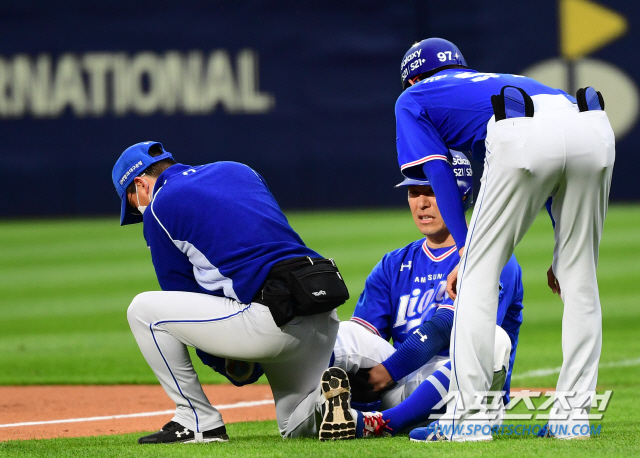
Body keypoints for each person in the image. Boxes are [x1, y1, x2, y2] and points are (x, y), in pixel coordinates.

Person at [395, 38, 615, 440]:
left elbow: (438, 172)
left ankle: (469, 422)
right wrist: (560, 250)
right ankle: (573, 419)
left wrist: (466, 252)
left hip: (520, 128)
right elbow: (558, 154)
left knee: (478, 278)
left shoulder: (413, 97)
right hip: (590, 122)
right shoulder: (500, 79)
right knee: (579, 277)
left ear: (413, 77)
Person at [111, 141, 349, 444]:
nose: (139, 211)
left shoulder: (159, 205)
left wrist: (224, 362)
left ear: (140, 184)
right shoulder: (239, 170)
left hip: (270, 319)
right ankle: (350, 413)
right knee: (294, 423)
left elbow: (181, 292)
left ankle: (196, 420)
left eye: (132, 203)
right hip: (320, 304)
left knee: (144, 311)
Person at [320, 151, 524, 440]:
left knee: (492, 338)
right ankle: (323, 413)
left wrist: (385, 373)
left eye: (432, 191)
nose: (421, 203)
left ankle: (383, 422)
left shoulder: (492, 258)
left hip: (466, 396)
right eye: (414, 193)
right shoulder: (394, 264)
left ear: (461, 195)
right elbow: (365, 340)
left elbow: (447, 326)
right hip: (403, 384)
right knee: (344, 332)